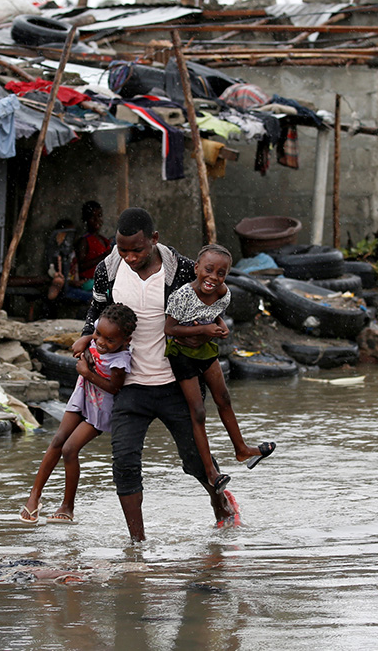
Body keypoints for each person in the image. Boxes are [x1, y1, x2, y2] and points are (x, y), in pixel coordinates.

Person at [72, 207, 238, 541]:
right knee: (124, 465)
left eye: (137, 249)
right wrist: (87, 332)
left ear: (154, 240)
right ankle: (137, 544)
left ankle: (222, 506)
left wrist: (208, 334)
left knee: (194, 461)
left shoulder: (182, 270)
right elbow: (97, 307)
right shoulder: (109, 269)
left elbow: (211, 304)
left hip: (175, 382)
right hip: (129, 386)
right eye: (123, 250)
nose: (130, 257)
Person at [164, 243, 275, 493]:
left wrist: (220, 326)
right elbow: (169, 329)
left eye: (221, 273)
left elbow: (214, 314)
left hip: (205, 350)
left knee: (224, 398)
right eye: (209, 270)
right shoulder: (182, 295)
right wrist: (203, 329)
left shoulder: (223, 293)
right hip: (182, 355)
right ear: (196, 268)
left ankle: (242, 450)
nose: (213, 278)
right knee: (199, 412)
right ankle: (211, 472)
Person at [20, 302, 137, 526]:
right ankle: (34, 496)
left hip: (101, 406)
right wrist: (85, 341)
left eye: (110, 340)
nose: (101, 342)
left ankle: (67, 506)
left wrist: (86, 371)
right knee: (57, 440)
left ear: (126, 341)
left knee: (70, 449)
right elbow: (79, 343)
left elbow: (114, 388)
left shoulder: (120, 361)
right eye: (99, 335)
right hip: (82, 393)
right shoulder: (99, 331)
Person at [75, 200, 112, 291]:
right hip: (89, 281)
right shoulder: (84, 240)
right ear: (85, 220)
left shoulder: (104, 240)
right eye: (92, 216)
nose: (97, 220)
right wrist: (103, 257)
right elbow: (80, 266)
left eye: (99, 216)